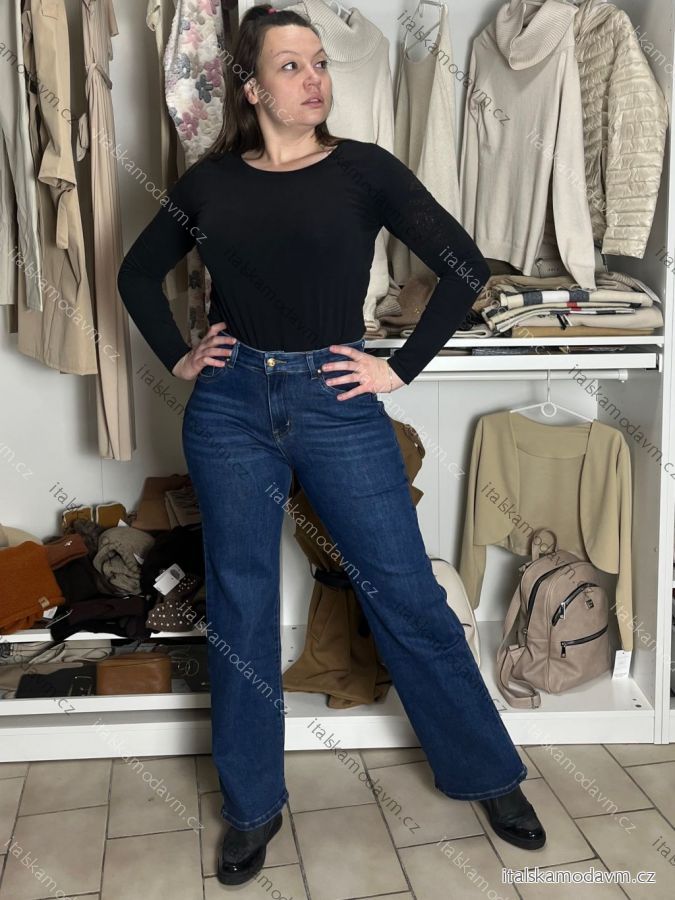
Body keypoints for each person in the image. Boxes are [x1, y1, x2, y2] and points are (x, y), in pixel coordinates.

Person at [117, 3, 545, 887]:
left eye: (318, 62)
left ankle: (486, 774)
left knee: (405, 593)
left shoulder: (362, 169)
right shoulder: (208, 185)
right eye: (291, 66)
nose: (314, 78)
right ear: (250, 87)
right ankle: (251, 807)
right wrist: (181, 356)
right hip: (230, 408)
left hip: (336, 402)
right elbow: (134, 274)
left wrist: (400, 368)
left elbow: (463, 264)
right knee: (239, 605)